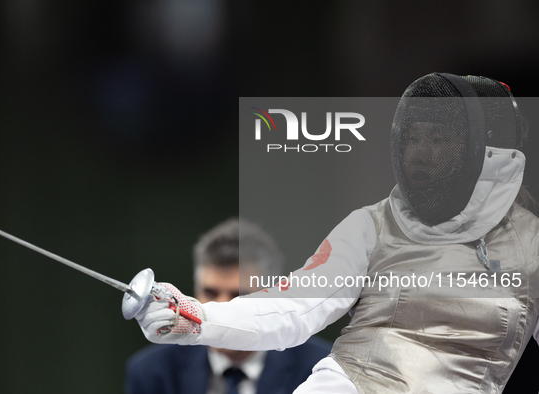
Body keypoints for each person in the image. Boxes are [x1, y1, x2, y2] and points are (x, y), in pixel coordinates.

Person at [128, 73, 539, 393]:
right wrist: (197, 317)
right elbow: (295, 305)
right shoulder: (374, 225)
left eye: (438, 138)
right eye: (411, 138)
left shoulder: (532, 244)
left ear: (486, 152)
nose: (418, 153)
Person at [125, 218, 332, 394]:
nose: (222, 306)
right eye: (210, 293)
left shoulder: (323, 370)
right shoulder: (152, 373)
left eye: (239, 296)